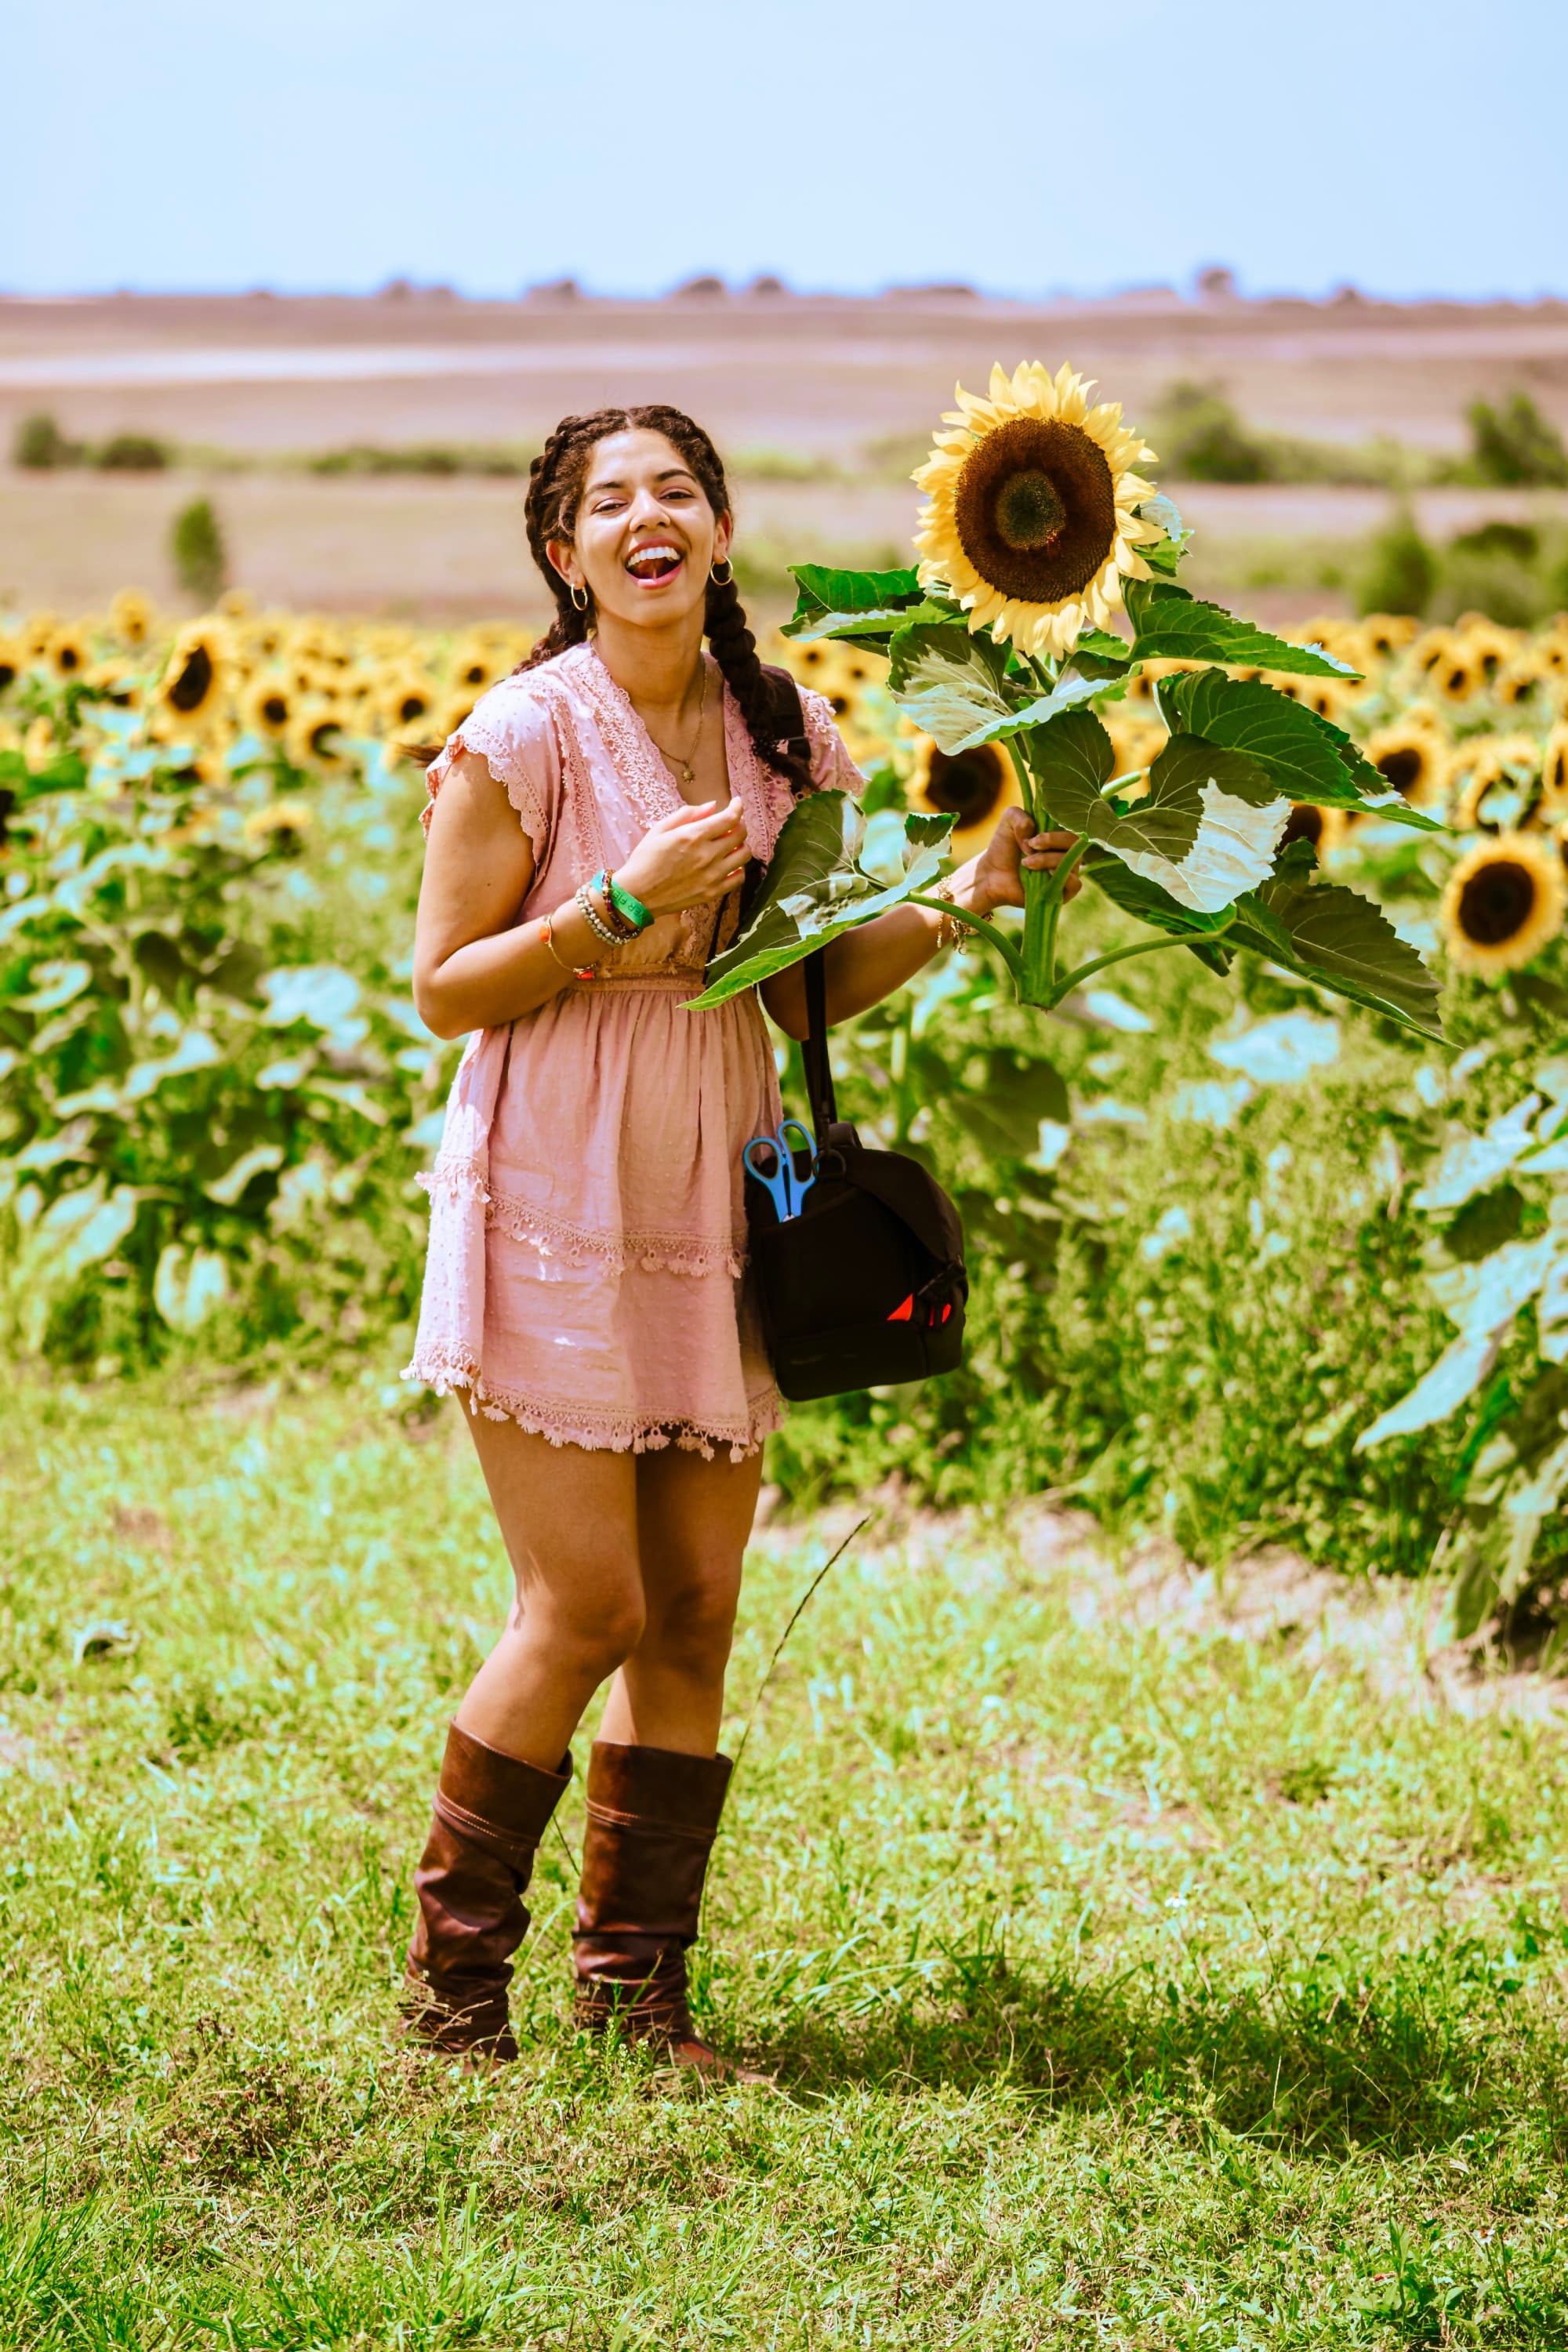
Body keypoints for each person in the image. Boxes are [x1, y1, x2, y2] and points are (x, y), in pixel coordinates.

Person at [401, 402, 1077, 2078]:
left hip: (719, 1165)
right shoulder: (527, 735)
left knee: (696, 1608)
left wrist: (956, 900)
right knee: (583, 1606)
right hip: (558, 1164)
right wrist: (617, 905)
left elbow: (795, 985)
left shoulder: (787, 734)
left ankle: (638, 2003)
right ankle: (450, 1995)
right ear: (568, 557)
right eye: (608, 501)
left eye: (676, 491)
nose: (648, 517)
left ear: (715, 533)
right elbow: (441, 989)